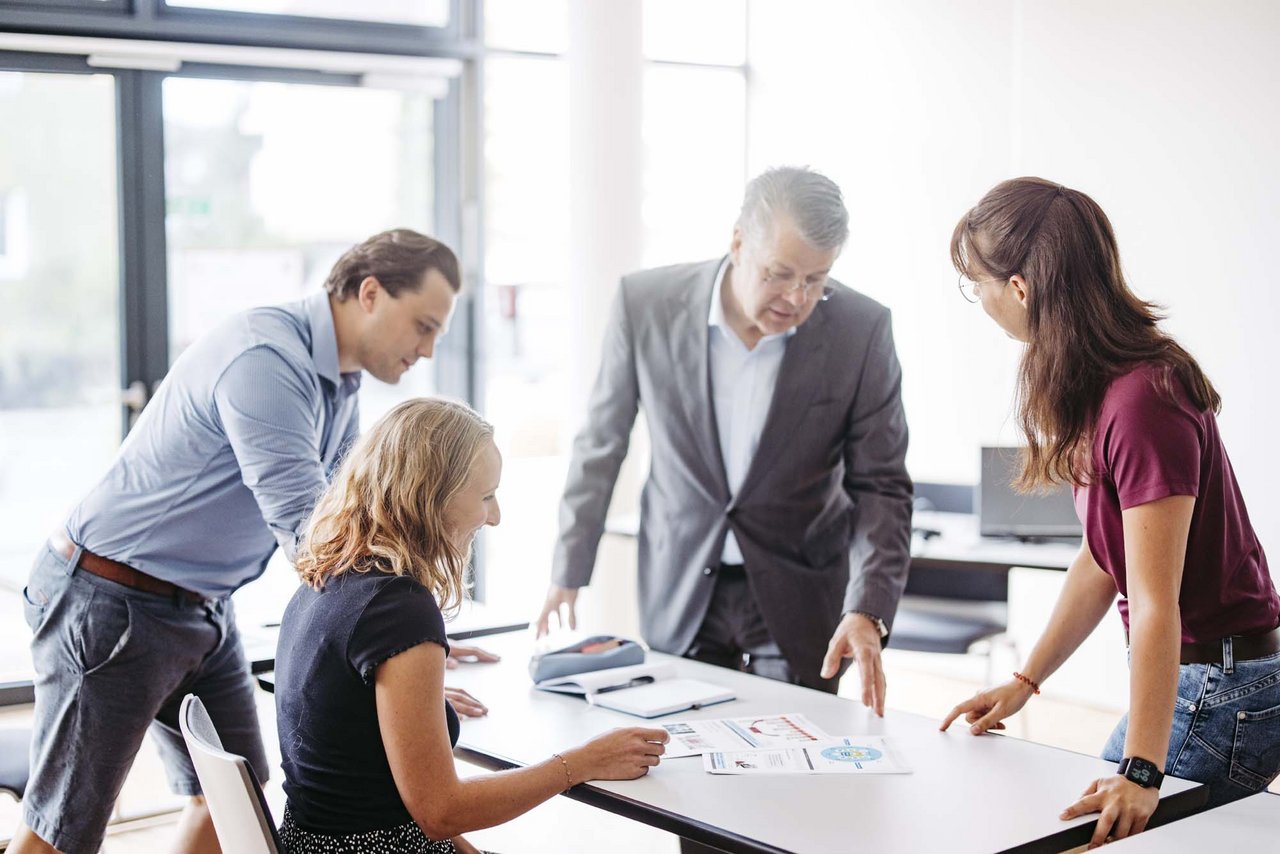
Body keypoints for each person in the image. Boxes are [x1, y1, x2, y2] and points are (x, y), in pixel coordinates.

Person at [13, 229, 489, 854]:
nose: (426, 350)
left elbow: (339, 526)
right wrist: (400, 663)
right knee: (62, 833)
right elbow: (312, 535)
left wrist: (406, 677)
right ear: (370, 293)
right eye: (422, 325)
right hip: (112, 597)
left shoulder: (338, 382)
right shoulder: (267, 358)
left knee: (231, 794)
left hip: (200, 605)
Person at [940, 177, 1280, 847]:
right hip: (1206, 677)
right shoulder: (1101, 382)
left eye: (975, 283)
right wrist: (1025, 681)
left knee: (1102, 826)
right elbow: (1104, 558)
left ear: (1020, 288)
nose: (977, 301)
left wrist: (1144, 770)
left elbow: (1156, 604)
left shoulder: (1144, 396)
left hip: (1221, 686)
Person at [536, 166, 913, 704]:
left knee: (797, 763)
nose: (797, 297)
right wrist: (568, 569)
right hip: (682, 580)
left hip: (800, 589)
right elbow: (602, 443)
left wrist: (867, 605)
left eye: (816, 279)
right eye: (780, 273)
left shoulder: (861, 329)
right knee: (680, 763)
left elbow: (882, 486)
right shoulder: (645, 304)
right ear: (739, 243)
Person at [275, 398, 668, 853]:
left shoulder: (327, 577)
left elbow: (364, 768)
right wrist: (582, 762)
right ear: (429, 494)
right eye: (486, 496)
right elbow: (441, 811)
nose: (495, 516)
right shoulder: (398, 607)